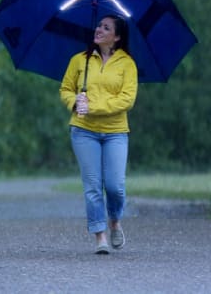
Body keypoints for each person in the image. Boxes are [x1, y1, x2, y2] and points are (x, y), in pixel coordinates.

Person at [59, 14, 138, 254]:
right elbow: (65, 89)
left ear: (117, 36)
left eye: (106, 27)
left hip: (115, 132)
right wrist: (75, 103)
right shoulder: (79, 61)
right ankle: (100, 236)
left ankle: (114, 220)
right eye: (98, 25)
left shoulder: (127, 64)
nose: (99, 30)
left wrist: (93, 107)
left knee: (115, 186)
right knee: (93, 186)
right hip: (84, 132)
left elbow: (127, 99)